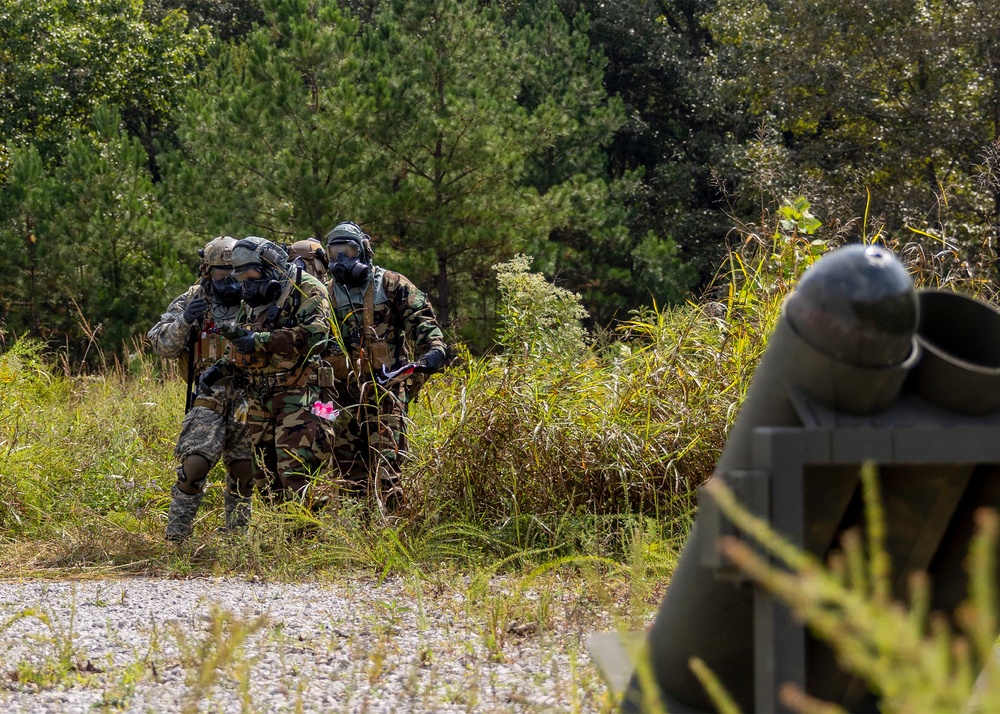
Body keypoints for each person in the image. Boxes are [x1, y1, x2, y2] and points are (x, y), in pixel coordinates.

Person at [323, 221, 447, 511]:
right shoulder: (323, 295)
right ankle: (357, 543)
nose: (342, 260)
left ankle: (392, 535)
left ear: (364, 251)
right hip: (338, 397)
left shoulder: (390, 283)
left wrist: (435, 350)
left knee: (387, 469)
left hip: (386, 391)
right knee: (346, 474)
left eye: (349, 250)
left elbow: (422, 320)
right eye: (335, 252)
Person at [200, 236, 335, 501]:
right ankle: (281, 541)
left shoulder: (307, 288)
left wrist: (261, 342)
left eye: (249, 274)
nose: (245, 283)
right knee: (265, 481)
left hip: (303, 395)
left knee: (298, 478)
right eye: (241, 278)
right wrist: (220, 368)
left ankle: (307, 541)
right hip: (260, 401)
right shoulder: (252, 300)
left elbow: (319, 335)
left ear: (269, 265)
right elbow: (242, 340)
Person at [147, 236, 255, 542]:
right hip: (208, 394)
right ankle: (177, 537)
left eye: (236, 269)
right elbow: (161, 345)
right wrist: (184, 321)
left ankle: (236, 539)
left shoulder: (255, 298)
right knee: (194, 465)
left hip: (247, 395)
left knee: (244, 470)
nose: (231, 277)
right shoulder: (193, 299)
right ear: (207, 270)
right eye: (223, 270)